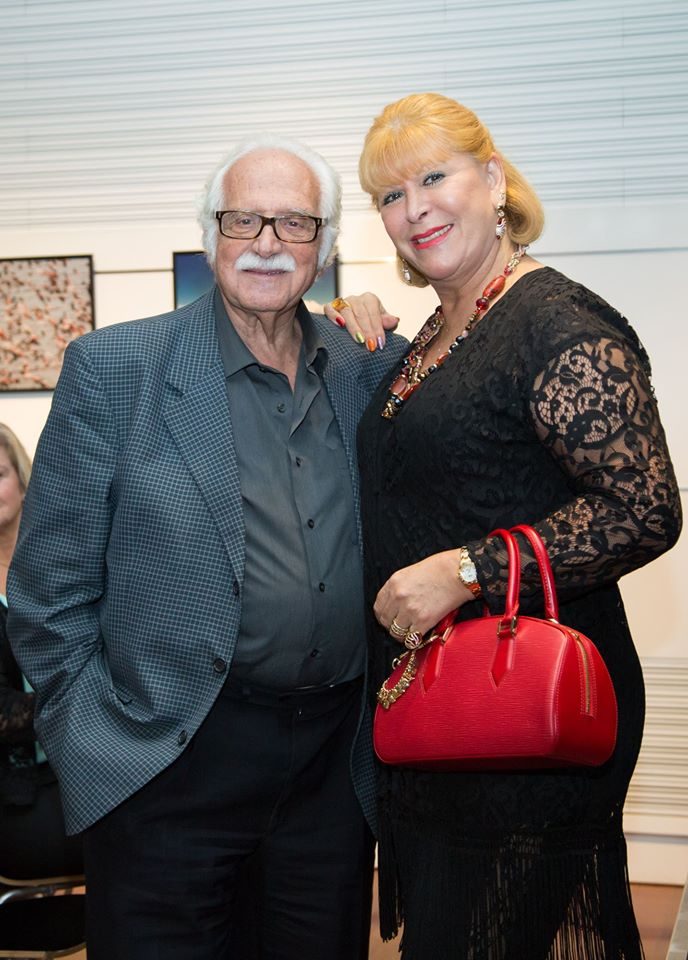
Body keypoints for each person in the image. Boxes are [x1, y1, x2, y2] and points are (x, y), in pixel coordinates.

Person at [7, 135, 407, 960]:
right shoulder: (116, 367)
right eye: (243, 220)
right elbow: (48, 592)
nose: (267, 243)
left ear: (326, 243)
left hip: (331, 775)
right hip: (166, 763)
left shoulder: (368, 370)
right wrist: (96, 744)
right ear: (210, 234)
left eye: (295, 222)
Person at [324, 92, 682, 958]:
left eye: (433, 178)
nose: (414, 209)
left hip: (522, 715)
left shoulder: (555, 322)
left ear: (492, 181)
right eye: (390, 195)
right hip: (443, 709)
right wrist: (345, 326)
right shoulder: (444, 326)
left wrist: (468, 570)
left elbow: (644, 508)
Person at [0, 423, 83, 878]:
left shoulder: (64, 565)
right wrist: (78, 706)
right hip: (15, 790)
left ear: (22, 480)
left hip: (85, 768)